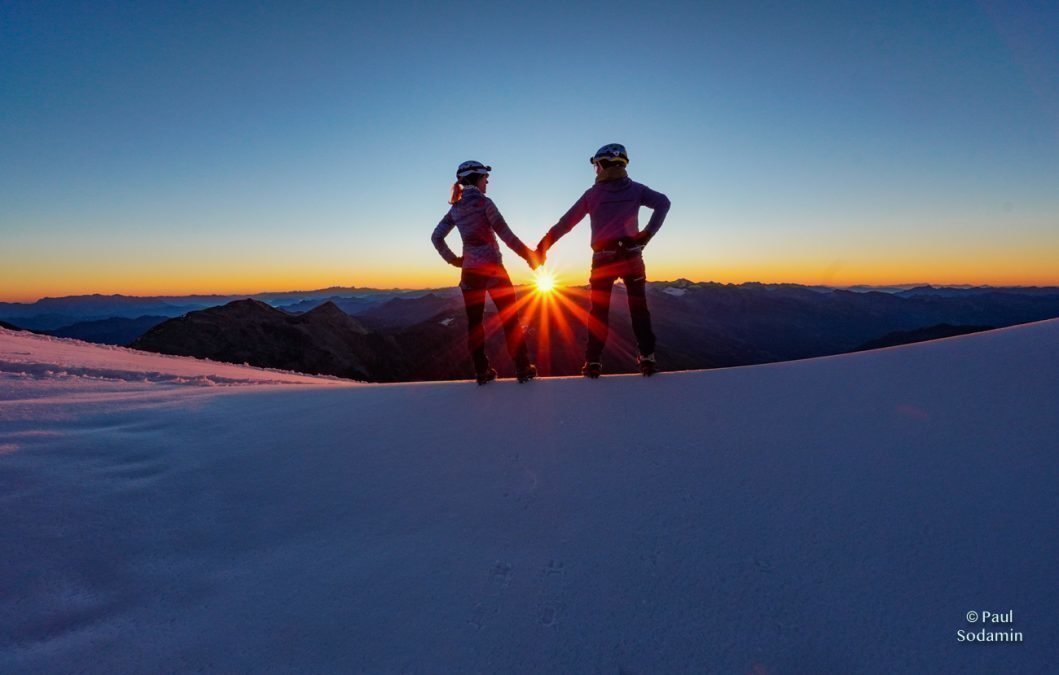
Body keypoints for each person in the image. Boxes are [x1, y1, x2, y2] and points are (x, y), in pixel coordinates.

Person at [536, 143, 670, 377]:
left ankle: (594, 361)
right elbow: (663, 203)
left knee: (599, 311)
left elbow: (566, 223)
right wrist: (646, 235)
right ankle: (647, 357)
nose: (595, 170)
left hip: (603, 258)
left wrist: (543, 246)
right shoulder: (636, 190)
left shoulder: (593, 195)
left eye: (596, 165)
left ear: (604, 164)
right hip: (632, 256)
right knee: (639, 310)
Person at [432, 160, 540, 384]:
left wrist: (453, 260)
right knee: (510, 320)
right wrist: (530, 256)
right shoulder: (485, 203)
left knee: (474, 324)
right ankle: (522, 368)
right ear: (476, 178)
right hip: (493, 271)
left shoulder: (456, 209)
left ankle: (481, 371)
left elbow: (436, 237)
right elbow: (506, 235)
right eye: (485, 178)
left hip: (470, 273)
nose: (487, 181)